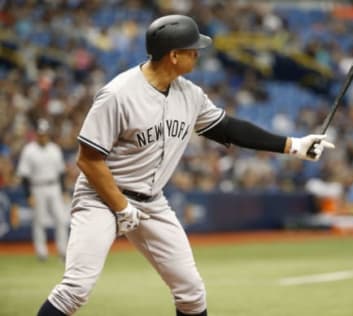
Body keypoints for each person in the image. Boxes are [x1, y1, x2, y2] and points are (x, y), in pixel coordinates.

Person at [37, 14, 334, 316]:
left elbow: (229, 129)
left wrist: (294, 145)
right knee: (75, 289)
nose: (198, 53)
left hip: (152, 203)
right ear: (174, 55)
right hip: (101, 198)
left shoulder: (190, 95)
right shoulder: (118, 95)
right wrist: (120, 206)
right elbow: (88, 160)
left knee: (191, 293)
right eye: (192, 49)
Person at [17, 118, 68, 261]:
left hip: (54, 187)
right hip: (37, 187)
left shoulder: (55, 149)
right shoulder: (29, 150)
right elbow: (24, 176)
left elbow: (61, 173)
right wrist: (29, 195)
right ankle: (41, 253)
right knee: (39, 221)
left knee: (61, 219)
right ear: (36, 134)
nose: (43, 136)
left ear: (48, 134)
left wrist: (63, 191)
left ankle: (63, 251)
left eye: (45, 133)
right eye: (40, 133)